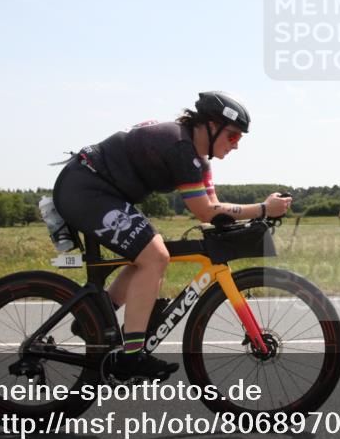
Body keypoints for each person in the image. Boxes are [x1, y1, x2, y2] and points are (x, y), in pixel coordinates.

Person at [52, 91, 292, 381]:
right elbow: (205, 211)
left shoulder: (198, 160)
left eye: (240, 139)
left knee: (150, 253)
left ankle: (95, 320)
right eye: (232, 137)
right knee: (154, 256)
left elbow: (214, 210)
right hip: (86, 189)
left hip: (98, 190)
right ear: (210, 125)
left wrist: (254, 215)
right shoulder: (180, 146)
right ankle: (131, 357)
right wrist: (264, 208)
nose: (236, 145)